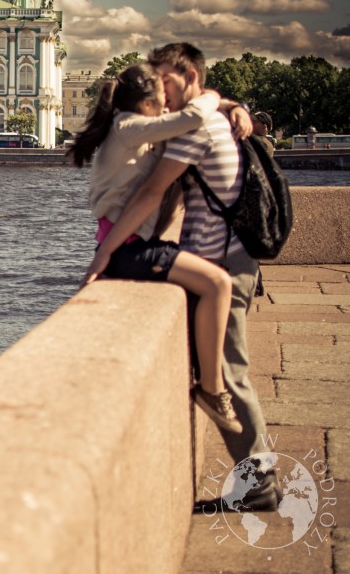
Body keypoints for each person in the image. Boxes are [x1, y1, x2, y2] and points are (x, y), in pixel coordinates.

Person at [84, 43, 279, 512]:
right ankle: (255, 476)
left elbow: (152, 191)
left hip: (226, 264)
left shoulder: (199, 126)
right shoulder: (204, 115)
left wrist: (106, 252)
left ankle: (259, 484)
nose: (162, 92)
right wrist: (230, 102)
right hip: (221, 258)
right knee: (226, 373)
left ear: (188, 75)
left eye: (167, 81)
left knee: (230, 378)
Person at [71, 62, 241, 433]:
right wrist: (213, 96)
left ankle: (206, 377)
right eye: (163, 100)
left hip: (129, 245)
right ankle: (211, 389)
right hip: (127, 250)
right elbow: (194, 114)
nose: (167, 108)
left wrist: (231, 107)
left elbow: (186, 124)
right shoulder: (128, 127)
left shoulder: (135, 131)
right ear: (147, 103)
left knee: (211, 284)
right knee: (218, 284)